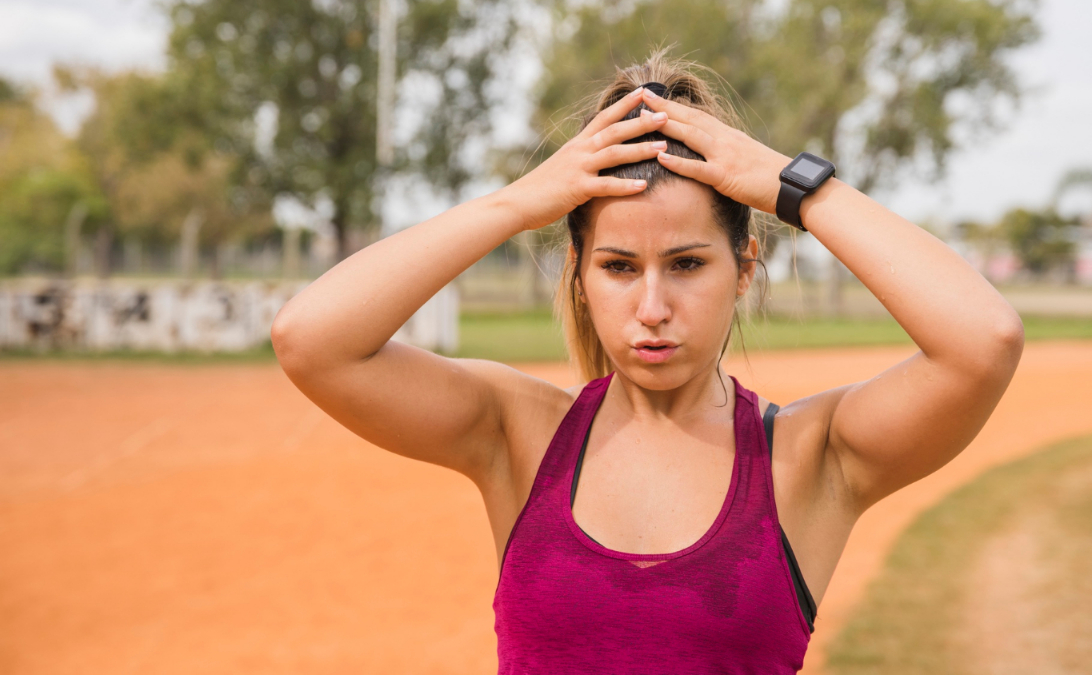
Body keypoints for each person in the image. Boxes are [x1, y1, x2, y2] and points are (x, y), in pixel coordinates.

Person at [270, 50, 1024, 673]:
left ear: (745, 267)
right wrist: (517, 203)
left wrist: (791, 185)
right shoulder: (519, 434)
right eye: (620, 266)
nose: (653, 306)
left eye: (689, 264)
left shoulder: (808, 458)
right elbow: (311, 337)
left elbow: (983, 339)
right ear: (580, 274)